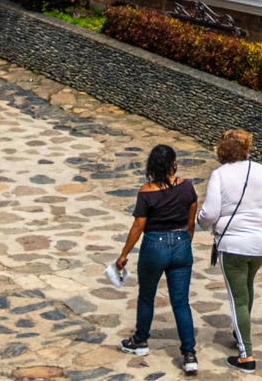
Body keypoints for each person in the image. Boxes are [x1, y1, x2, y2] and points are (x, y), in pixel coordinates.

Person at [196, 128, 262, 372]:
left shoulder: (219, 175)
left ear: (222, 150)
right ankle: (240, 333)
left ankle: (246, 356)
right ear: (247, 148)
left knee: (238, 298)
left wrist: (200, 220)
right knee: (247, 288)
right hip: (261, 244)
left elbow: (211, 212)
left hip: (233, 245)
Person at [114, 142, 200, 373]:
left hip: (154, 246)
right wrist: (184, 242)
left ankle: (140, 340)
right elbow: (191, 221)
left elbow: (138, 225)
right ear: (174, 164)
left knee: (146, 296)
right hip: (181, 243)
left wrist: (124, 254)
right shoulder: (188, 188)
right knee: (181, 302)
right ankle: (189, 354)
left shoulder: (146, 191)